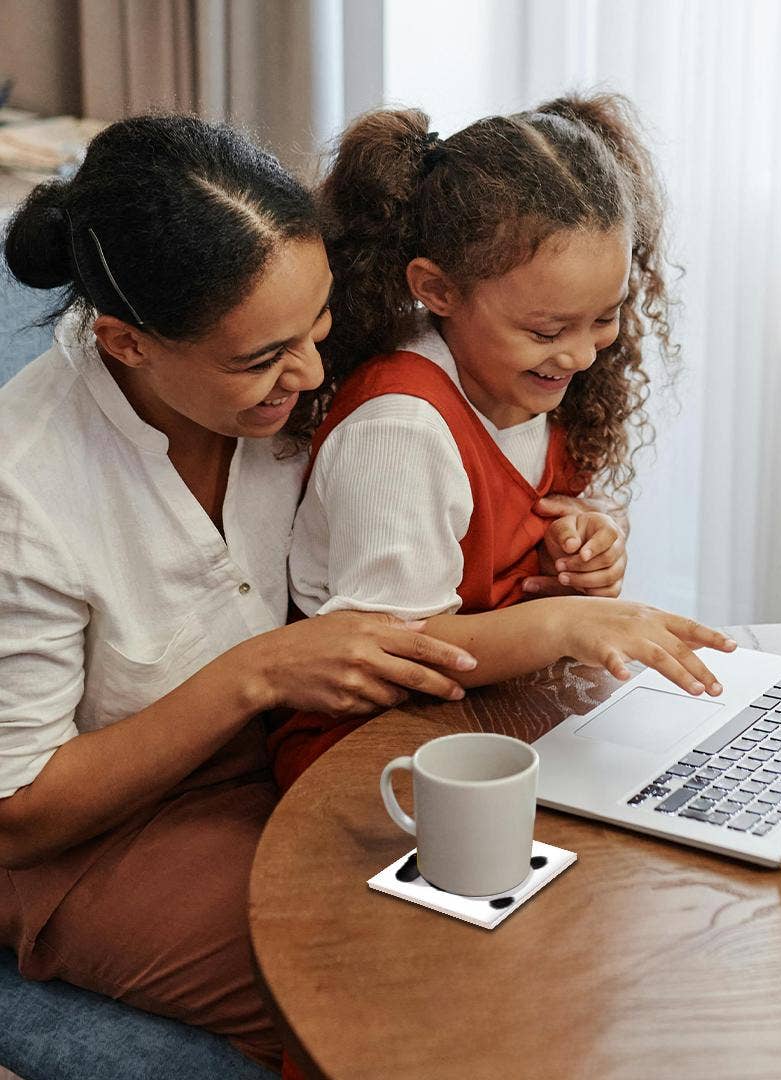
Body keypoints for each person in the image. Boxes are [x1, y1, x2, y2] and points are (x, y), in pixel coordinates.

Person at [0, 115, 478, 1070]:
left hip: (292, 762)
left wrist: (575, 522)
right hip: (94, 839)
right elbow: (18, 809)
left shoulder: (294, 384)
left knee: (518, 911)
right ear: (126, 344)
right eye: (261, 359)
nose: (307, 374)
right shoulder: (27, 490)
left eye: (319, 327)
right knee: (387, 991)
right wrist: (257, 673)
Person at [270, 93, 738, 794]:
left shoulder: (526, 382)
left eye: (604, 319)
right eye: (549, 331)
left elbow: (535, 514)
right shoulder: (399, 430)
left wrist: (591, 539)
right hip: (370, 748)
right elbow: (400, 649)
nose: (581, 356)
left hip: (494, 716)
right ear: (436, 289)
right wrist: (566, 624)